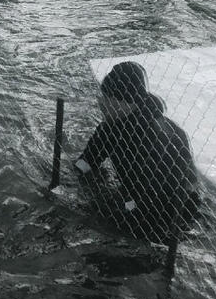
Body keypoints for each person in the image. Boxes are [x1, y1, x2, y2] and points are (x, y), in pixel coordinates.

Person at [74, 60, 200, 243]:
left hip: (172, 214)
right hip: (141, 200)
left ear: (122, 102)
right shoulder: (112, 126)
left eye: (106, 97)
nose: (100, 103)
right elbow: (87, 161)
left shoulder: (153, 139)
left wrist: (104, 209)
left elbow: (149, 202)